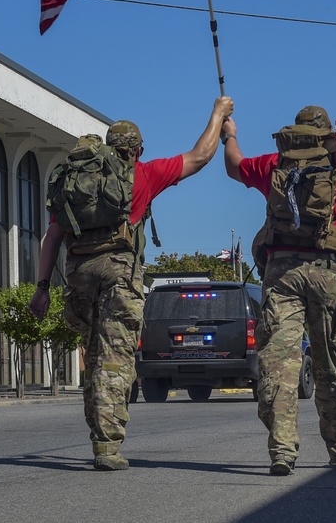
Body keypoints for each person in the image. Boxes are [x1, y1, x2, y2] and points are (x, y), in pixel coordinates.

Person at [29, 96, 235, 471]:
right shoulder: (141, 175)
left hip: (79, 274)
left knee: (93, 357)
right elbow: (200, 156)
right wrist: (219, 115)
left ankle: (98, 434)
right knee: (115, 358)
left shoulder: (76, 186)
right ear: (137, 149)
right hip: (118, 273)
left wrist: (42, 287)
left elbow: (52, 238)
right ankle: (107, 446)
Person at [221, 106, 336, 475]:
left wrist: (230, 134)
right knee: (330, 362)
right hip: (327, 273)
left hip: (281, 271)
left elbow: (233, 165)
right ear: (327, 138)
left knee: (280, 363)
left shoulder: (275, 165)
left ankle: (282, 450)